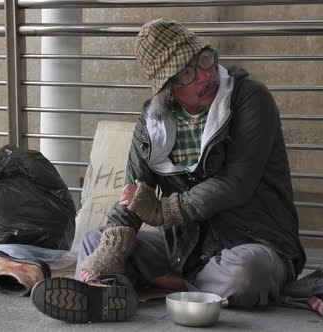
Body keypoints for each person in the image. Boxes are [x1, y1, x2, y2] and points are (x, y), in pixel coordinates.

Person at [30, 18, 306, 323]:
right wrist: (108, 254)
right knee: (93, 242)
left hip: (254, 241)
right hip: (185, 250)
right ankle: (103, 291)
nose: (205, 75)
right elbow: (130, 199)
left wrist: (165, 210)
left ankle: (161, 286)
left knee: (246, 274)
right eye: (187, 72)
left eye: (205, 60)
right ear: (168, 89)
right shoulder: (152, 124)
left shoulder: (250, 98)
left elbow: (236, 183)